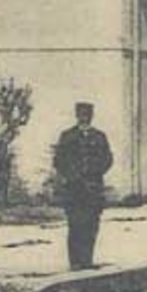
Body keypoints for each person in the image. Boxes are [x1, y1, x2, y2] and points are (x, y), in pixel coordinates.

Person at [53, 102, 113, 270]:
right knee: (75, 225)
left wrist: (95, 172)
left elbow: (107, 159)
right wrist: (74, 176)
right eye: (81, 114)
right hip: (74, 190)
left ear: (92, 116)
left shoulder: (100, 136)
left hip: (94, 188)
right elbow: (59, 161)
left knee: (91, 225)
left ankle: (87, 260)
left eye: (88, 114)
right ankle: (75, 262)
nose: (84, 118)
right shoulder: (67, 136)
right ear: (76, 116)